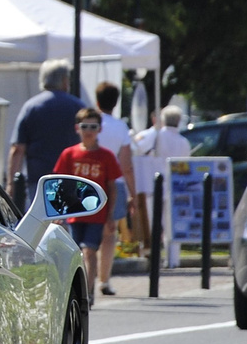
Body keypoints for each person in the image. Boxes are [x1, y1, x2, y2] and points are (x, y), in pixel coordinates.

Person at [54, 107, 122, 306]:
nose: (89, 131)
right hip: (75, 213)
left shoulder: (106, 156)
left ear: (100, 129)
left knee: (90, 251)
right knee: (76, 253)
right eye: (85, 126)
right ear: (77, 128)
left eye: (93, 126)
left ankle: (88, 290)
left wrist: (110, 216)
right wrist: (59, 211)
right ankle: (77, 288)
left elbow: (112, 187)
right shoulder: (69, 154)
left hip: (97, 214)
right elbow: (61, 183)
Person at [8, 60, 86, 207]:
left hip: (38, 180)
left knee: (40, 224)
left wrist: (12, 184)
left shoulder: (31, 107)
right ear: (64, 80)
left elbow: (17, 149)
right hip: (72, 178)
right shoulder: (78, 107)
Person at [132, 105, 192, 256]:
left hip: (153, 185)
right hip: (175, 187)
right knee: (172, 224)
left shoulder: (155, 135)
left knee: (153, 223)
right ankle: (173, 259)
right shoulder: (184, 141)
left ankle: (154, 256)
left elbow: (136, 148)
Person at [94, 82, 136, 295]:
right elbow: (127, 165)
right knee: (110, 234)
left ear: (97, 101)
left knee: (89, 231)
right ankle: (104, 280)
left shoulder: (90, 123)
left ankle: (88, 276)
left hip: (91, 179)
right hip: (116, 183)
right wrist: (132, 193)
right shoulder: (121, 127)